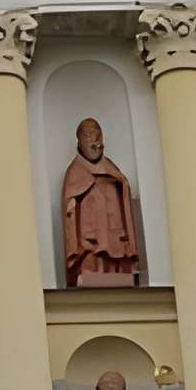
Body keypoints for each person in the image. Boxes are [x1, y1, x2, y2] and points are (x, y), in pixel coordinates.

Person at [60, 117, 142, 287]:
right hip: (91, 237)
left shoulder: (112, 169)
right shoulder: (74, 171)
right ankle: (91, 271)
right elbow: (70, 201)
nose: (95, 139)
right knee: (92, 258)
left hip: (114, 230)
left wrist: (120, 186)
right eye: (89, 135)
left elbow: (124, 189)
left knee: (116, 252)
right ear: (80, 141)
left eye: (98, 134)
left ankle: (119, 272)